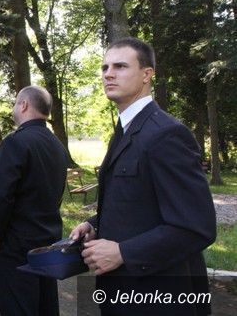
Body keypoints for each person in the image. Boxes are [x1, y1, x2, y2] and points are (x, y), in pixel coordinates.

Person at [70, 37, 216, 315]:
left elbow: (196, 226)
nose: (108, 74)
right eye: (105, 67)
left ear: (147, 74)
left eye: (120, 66)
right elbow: (139, 202)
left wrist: (123, 252)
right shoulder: (125, 130)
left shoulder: (166, 134)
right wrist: (95, 224)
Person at [0, 86, 68, 316]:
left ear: (24, 105)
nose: (14, 108)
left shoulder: (16, 142)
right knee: (45, 306)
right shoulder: (56, 144)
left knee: (18, 306)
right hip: (47, 240)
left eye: (15, 103)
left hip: (16, 245)